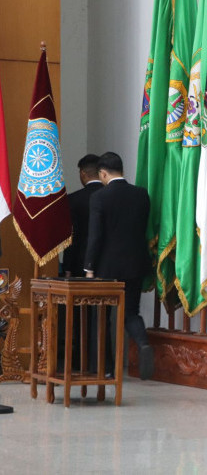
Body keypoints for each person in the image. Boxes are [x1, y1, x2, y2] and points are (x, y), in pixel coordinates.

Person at [84, 152, 154, 380]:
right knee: (131, 312)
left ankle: (107, 368)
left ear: (103, 173)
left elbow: (95, 236)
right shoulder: (141, 195)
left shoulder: (100, 198)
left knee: (102, 316)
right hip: (135, 264)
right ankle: (143, 344)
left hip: (107, 269)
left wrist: (89, 267)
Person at [61, 154, 114, 373]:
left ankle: (78, 361)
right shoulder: (110, 196)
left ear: (83, 174)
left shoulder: (74, 200)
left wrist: (68, 267)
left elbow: (71, 240)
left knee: (78, 316)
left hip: (81, 266)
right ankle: (103, 364)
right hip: (108, 266)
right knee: (103, 317)